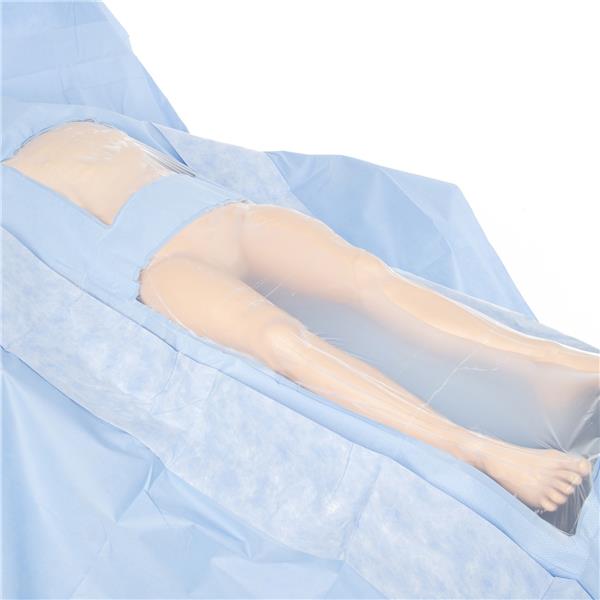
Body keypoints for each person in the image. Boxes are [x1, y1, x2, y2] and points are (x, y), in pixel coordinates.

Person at [6, 121, 597, 513]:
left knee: (367, 276)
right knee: (282, 343)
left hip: (212, 210)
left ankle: (564, 363)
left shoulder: (69, 99)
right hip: (157, 261)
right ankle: (482, 452)